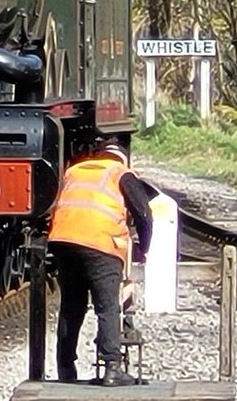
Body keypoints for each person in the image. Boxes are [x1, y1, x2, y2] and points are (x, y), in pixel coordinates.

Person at [47, 140, 153, 386]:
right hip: (100, 244)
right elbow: (144, 214)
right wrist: (143, 249)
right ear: (123, 159)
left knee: (71, 307)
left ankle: (65, 370)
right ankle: (112, 370)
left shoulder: (74, 171)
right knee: (107, 307)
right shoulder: (121, 173)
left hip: (64, 241)